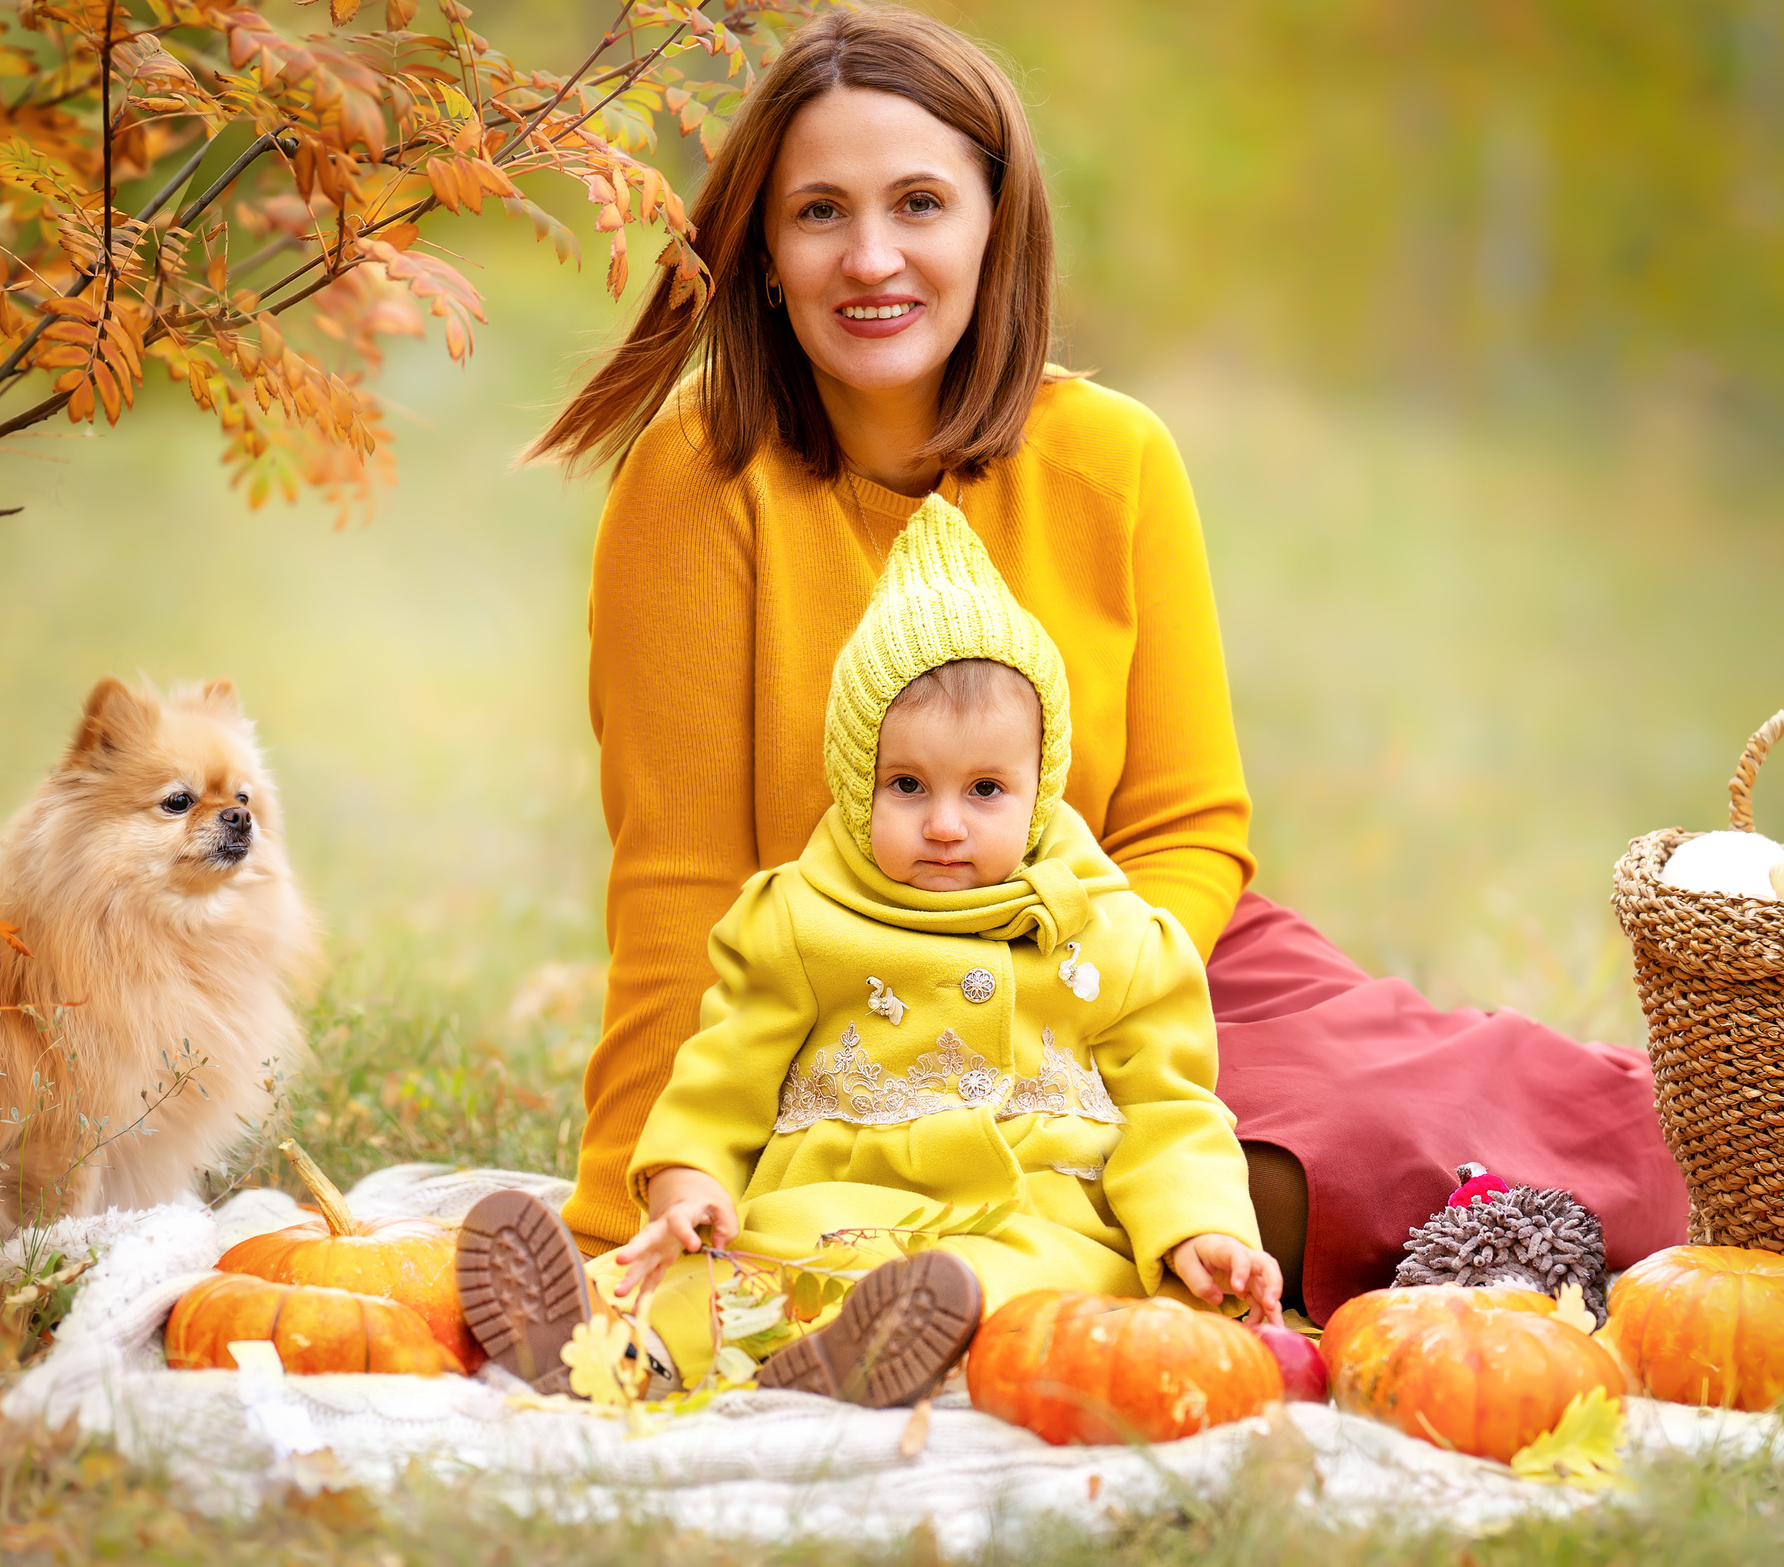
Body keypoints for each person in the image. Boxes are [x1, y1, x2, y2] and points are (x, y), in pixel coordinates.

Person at [524, 5, 1688, 1330]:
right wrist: (623, 1215)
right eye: (819, 213)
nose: (872, 257)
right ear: (765, 251)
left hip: (1138, 966)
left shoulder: (1115, 459)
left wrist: (1080, 1000)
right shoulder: (703, 479)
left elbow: (1190, 831)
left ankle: (1137, 1225)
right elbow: (677, 887)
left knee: (1505, 1114)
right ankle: (979, 1272)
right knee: (1140, 1183)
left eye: (918, 203)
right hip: (860, 1009)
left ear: (994, 223)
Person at [453, 497, 1277, 1402]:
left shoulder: (1107, 932)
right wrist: (686, 1187)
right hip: (843, 1205)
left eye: (988, 789)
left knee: (1028, 1287)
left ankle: (886, 1344)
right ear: (857, 781)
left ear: (1042, 790)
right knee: (750, 1266)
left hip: (1030, 1211)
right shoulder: (804, 918)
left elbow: (1171, 1105)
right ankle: (599, 1339)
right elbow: (722, 1081)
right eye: (908, 785)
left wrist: (1201, 1228)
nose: (946, 825)